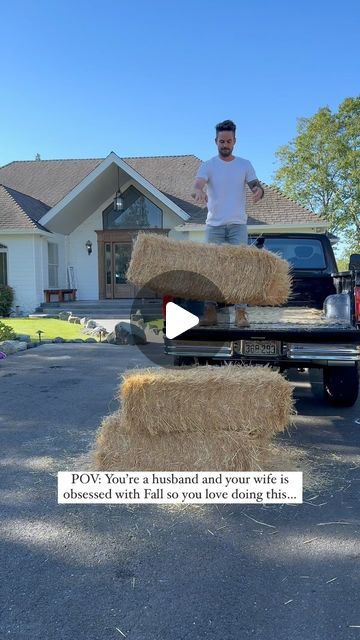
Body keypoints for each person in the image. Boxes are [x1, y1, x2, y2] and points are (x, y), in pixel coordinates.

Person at [191, 119, 264, 327]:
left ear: (234, 141)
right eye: (221, 141)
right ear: (216, 141)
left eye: (229, 141)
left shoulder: (244, 164)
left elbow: (255, 185)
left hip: (237, 226)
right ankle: (210, 311)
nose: (225, 144)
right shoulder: (208, 165)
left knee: (239, 268)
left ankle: (240, 313)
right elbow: (198, 183)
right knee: (212, 268)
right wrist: (197, 190)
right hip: (214, 226)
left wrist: (258, 191)